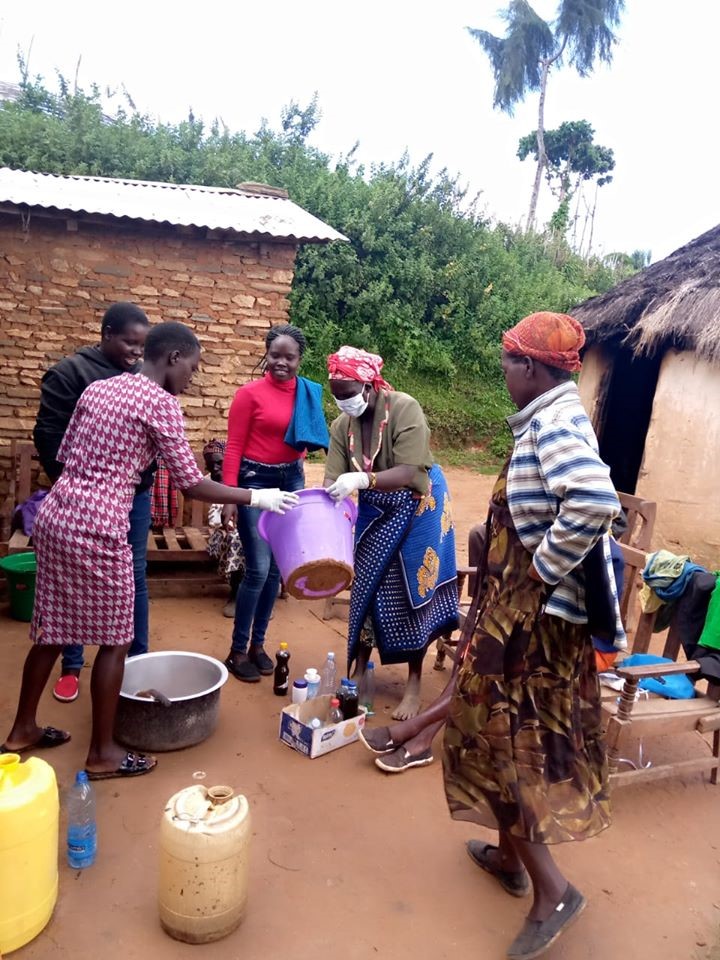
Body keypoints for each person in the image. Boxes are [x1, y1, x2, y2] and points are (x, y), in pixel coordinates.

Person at [1, 321, 298, 780]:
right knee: (118, 639)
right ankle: (102, 754)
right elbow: (192, 484)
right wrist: (257, 497)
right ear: (174, 357)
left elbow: (64, 452)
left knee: (51, 628)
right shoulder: (160, 404)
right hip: (99, 527)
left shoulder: (100, 388)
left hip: (56, 516)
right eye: (193, 369)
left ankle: (22, 729)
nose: (192, 379)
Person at [442, 312, 624, 960]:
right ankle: (507, 857)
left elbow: (595, 502)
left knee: (506, 745)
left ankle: (553, 891)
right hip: (517, 614)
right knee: (478, 732)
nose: (504, 376)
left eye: (508, 366)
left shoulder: (556, 422)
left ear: (532, 369)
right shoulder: (545, 419)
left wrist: (541, 573)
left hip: (535, 627)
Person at [324, 346, 459, 720]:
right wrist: (329, 496)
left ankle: (413, 683)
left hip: (420, 503)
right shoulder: (342, 427)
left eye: (348, 395)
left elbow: (411, 470)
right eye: (337, 397)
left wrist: (364, 477)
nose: (344, 403)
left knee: (411, 587)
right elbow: (332, 477)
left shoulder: (403, 409)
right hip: (374, 506)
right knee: (367, 584)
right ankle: (359, 671)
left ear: (368, 386)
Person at [33, 301, 153, 704]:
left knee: (134, 573)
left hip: (132, 498)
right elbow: (48, 436)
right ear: (105, 335)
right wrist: (77, 487)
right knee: (74, 584)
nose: (136, 353)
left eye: (141, 346)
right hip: (83, 500)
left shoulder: (140, 376)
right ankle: (71, 666)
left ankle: (138, 659)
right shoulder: (72, 373)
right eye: (128, 343)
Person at [221, 323, 329, 682]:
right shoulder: (248, 394)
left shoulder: (307, 393)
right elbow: (233, 447)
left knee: (274, 573)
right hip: (254, 481)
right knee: (257, 569)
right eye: (275, 355)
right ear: (266, 354)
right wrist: (230, 498)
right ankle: (237, 651)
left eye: (290, 357)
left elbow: (306, 440)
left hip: (290, 480)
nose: (281, 362)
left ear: (299, 359)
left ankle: (258, 645)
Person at [203, 439, 245, 618]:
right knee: (235, 539)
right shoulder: (204, 484)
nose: (216, 468)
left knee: (249, 538)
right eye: (212, 465)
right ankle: (235, 595)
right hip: (216, 535)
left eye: (220, 463)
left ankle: (256, 595)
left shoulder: (238, 480)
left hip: (239, 529)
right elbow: (213, 519)